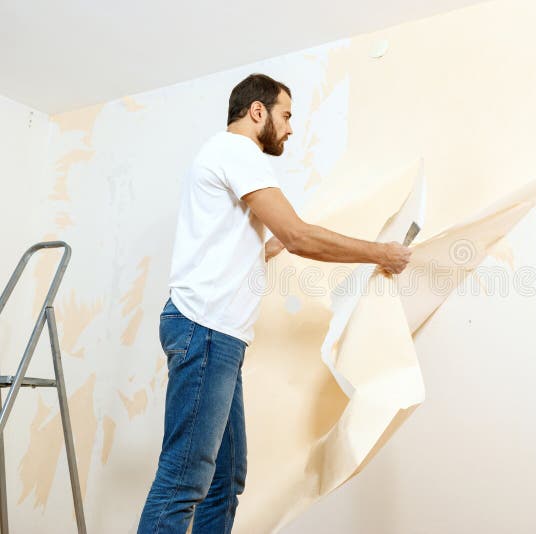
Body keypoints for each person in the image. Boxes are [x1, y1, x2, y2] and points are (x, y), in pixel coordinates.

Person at [137, 73, 411, 533]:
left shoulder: (221, 155)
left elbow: (222, 245)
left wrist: (262, 250)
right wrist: (380, 253)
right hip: (206, 331)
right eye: (285, 116)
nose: (290, 128)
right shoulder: (237, 151)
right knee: (184, 478)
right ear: (257, 111)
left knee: (225, 480)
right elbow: (298, 235)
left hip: (216, 335)